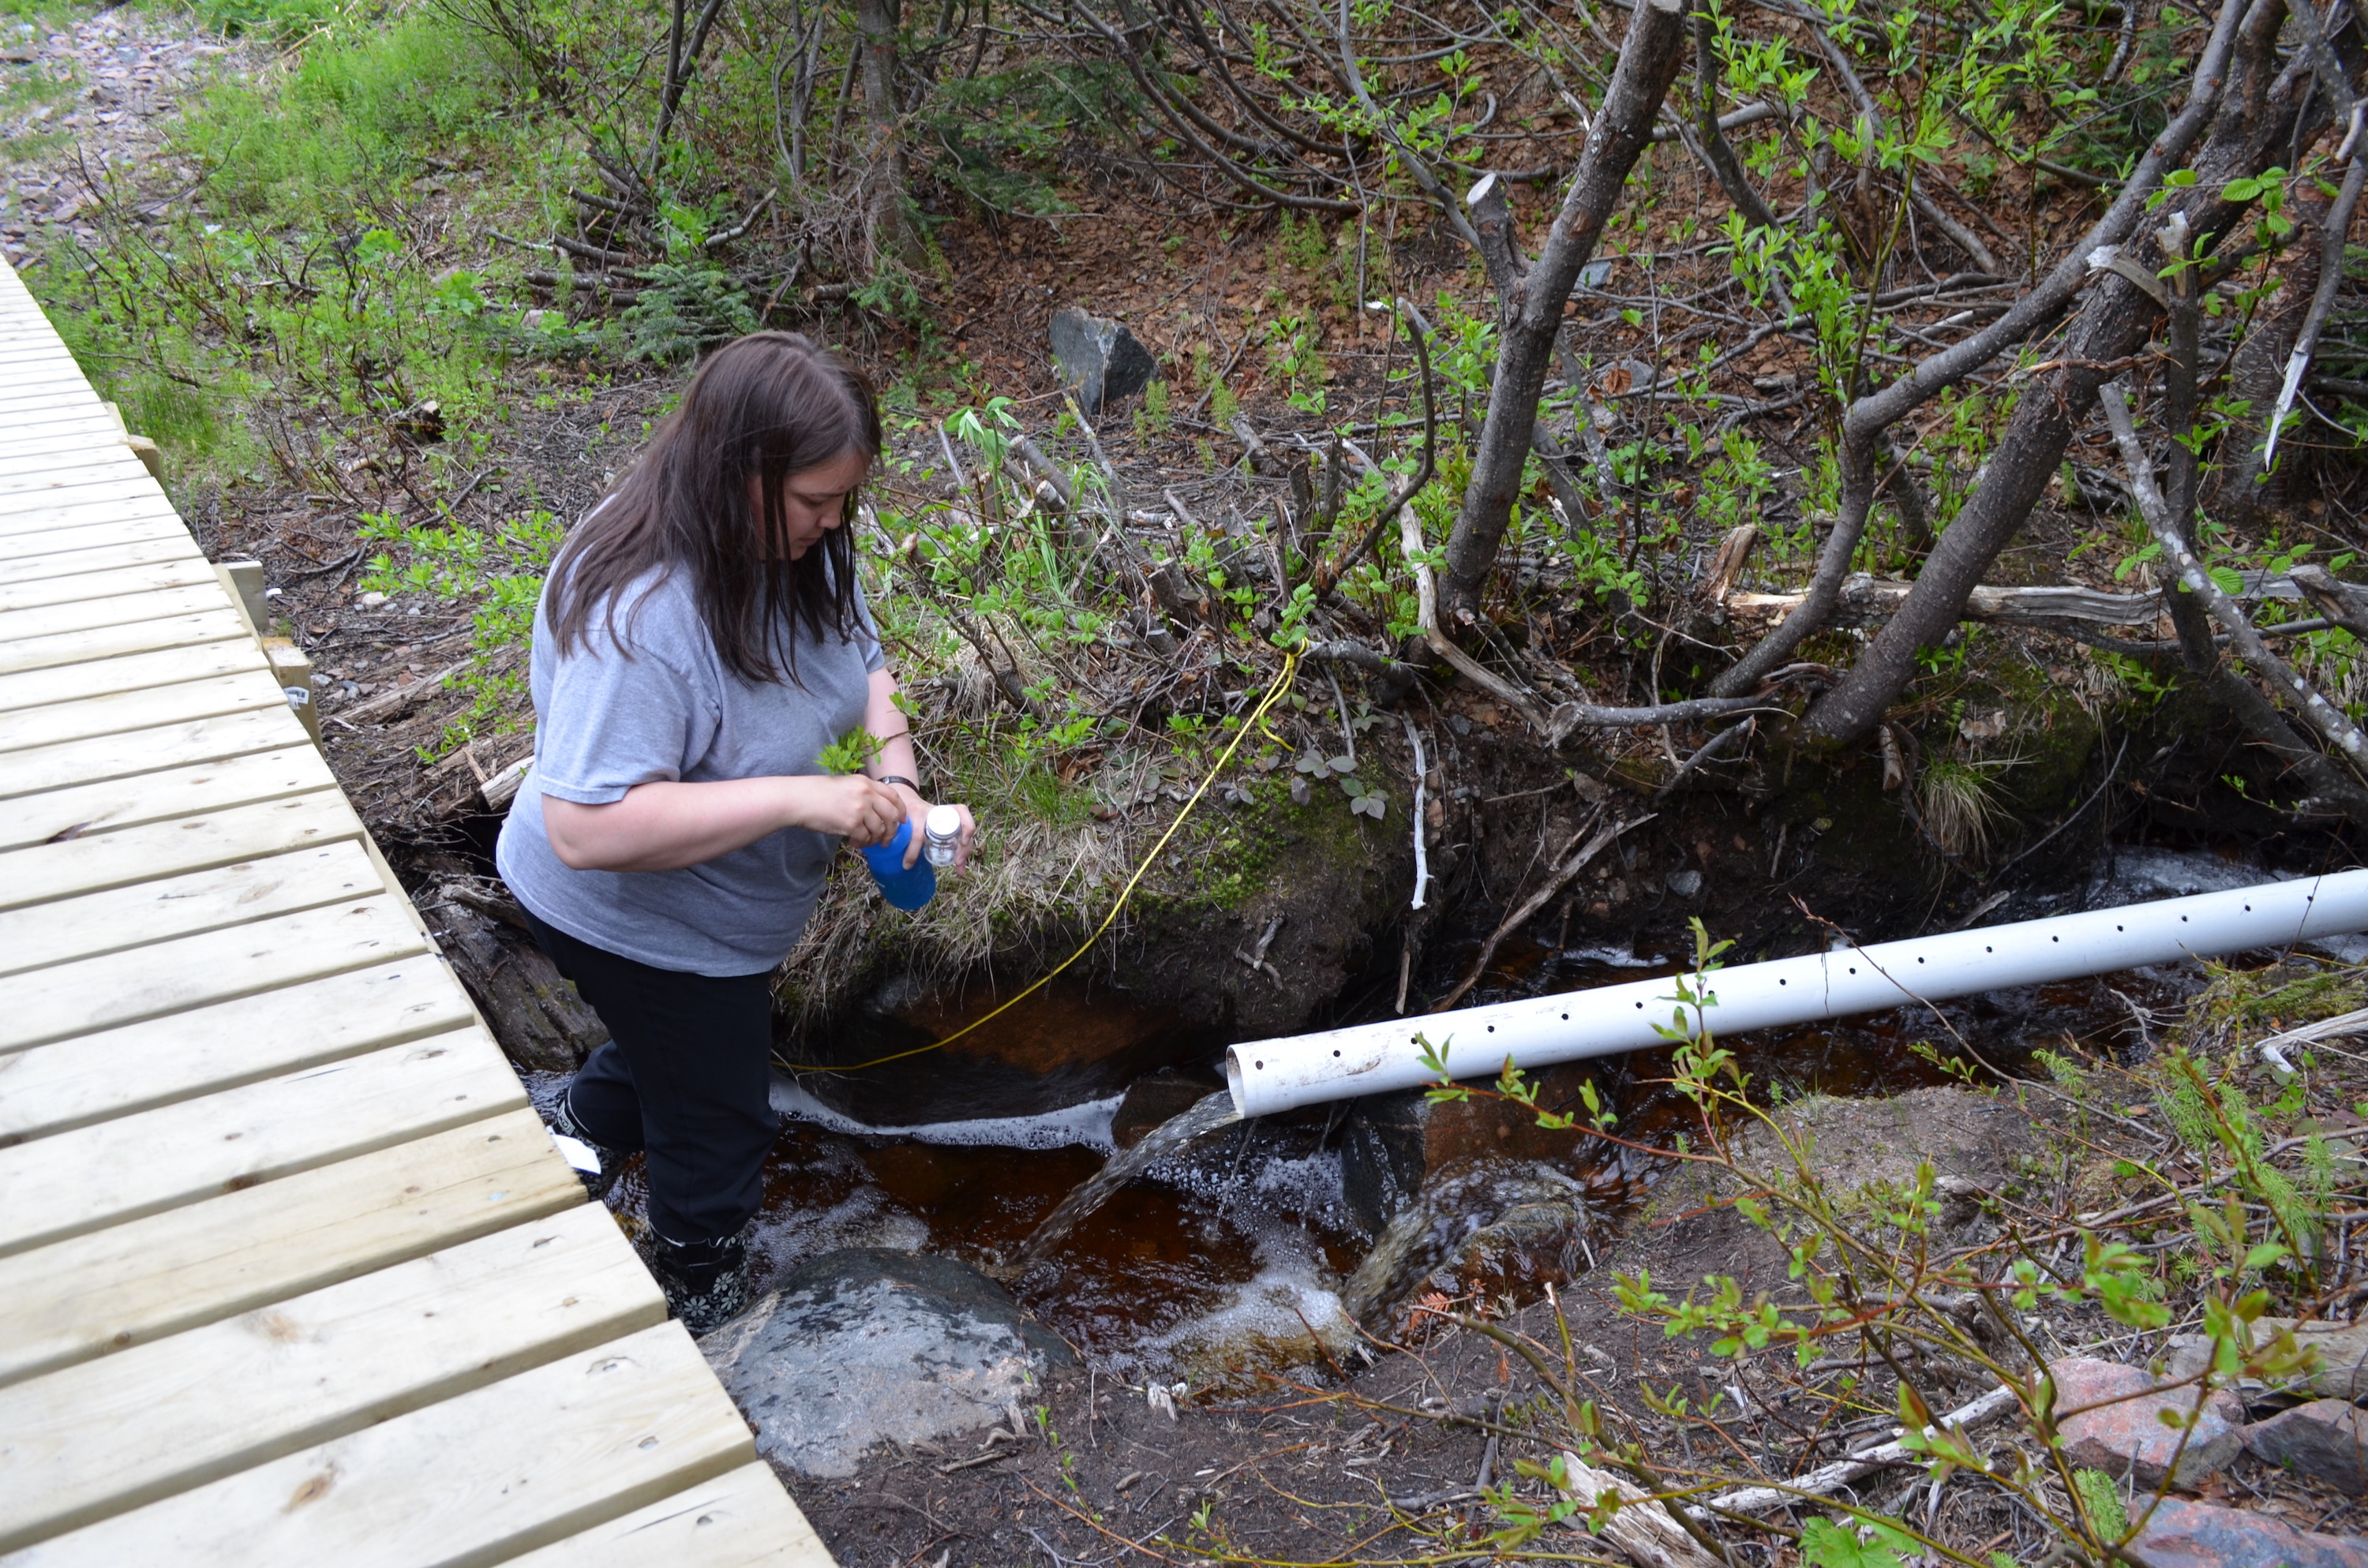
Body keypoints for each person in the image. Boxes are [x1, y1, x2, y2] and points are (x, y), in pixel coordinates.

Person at [495, 331, 972, 1331]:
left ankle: (575, 1125)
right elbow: (585, 823)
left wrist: (898, 781)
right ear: (738, 471)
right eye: (814, 502)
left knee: (690, 1052)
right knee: (718, 1119)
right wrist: (802, 798)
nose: (835, 522)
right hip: (623, 912)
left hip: (721, 920)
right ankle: (701, 1304)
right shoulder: (642, 611)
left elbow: (868, 670)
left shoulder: (803, 548)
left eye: (846, 500)